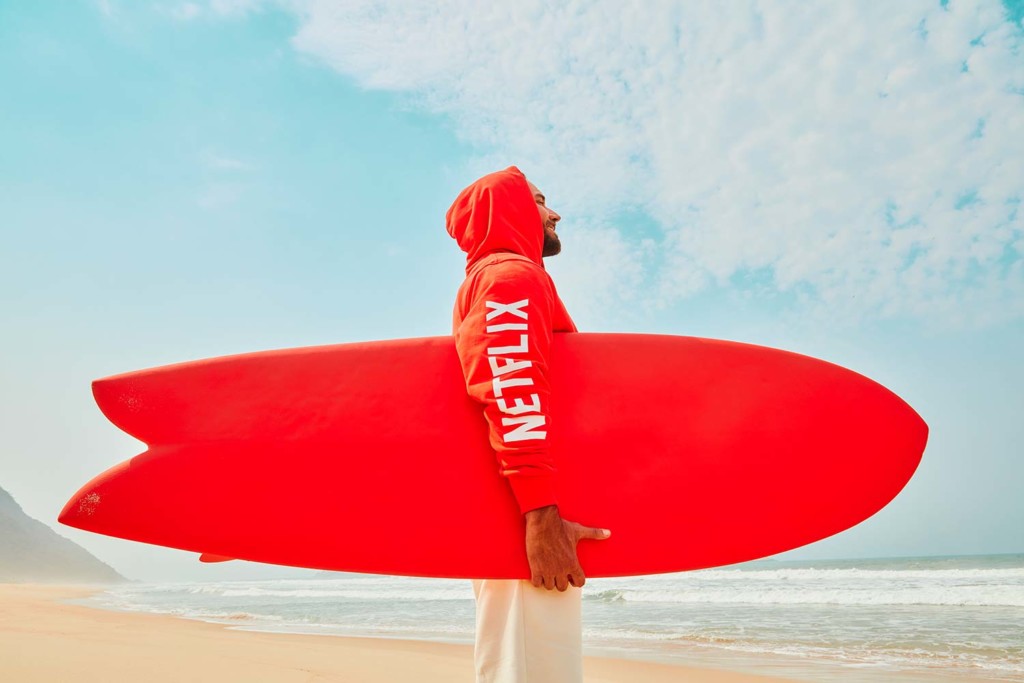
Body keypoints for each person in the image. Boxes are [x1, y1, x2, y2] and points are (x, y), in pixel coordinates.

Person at [445, 166, 611, 683]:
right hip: (527, 519)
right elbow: (510, 386)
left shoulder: (493, 278)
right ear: (509, 211)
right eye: (539, 201)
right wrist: (541, 517)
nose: (554, 213)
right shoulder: (510, 277)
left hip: (514, 510)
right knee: (532, 668)